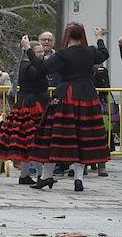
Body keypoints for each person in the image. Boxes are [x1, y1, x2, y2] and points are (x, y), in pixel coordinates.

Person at [25, 24, 110, 192]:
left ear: (67, 36)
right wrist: (100, 37)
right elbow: (104, 54)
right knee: (83, 136)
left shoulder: (63, 54)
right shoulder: (91, 51)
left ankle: (46, 176)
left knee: (55, 136)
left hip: (67, 96)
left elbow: (41, 68)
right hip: (87, 96)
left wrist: (28, 49)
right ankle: (78, 179)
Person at [0, 41, 49, 184]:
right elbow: (40, 81)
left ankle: (24, 175)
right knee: (33, 140)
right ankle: (41, 175)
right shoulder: (29, 66)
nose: (42, 54)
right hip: (32, 104)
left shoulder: (25, 65)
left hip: (27, 102)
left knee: (26, 140)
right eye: (38, 52)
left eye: (42, 51)